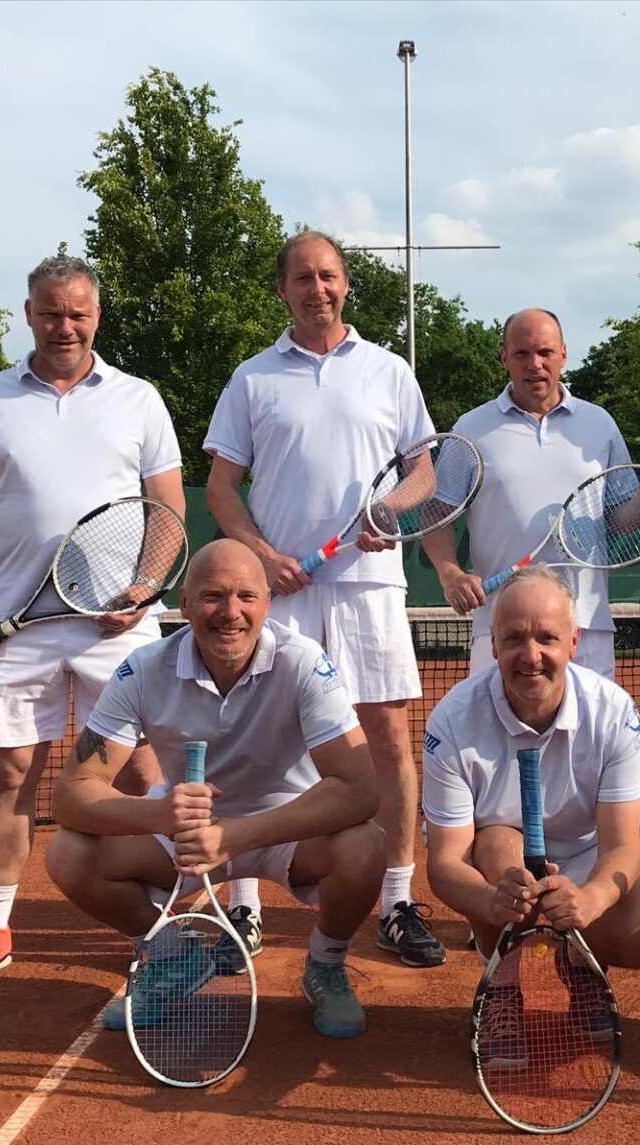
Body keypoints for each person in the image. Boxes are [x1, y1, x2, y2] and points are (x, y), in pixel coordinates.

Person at [0, 254, 183, 991]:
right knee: (10, 774)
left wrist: (145, 585)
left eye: (77, 313)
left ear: (96, 315)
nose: (63, 325)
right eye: (50, 312)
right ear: (29, 312)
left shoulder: (138, 398)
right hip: (13, 625)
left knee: (140, 771)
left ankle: (160, 922)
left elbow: (164, 509)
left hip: (120, 626)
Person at [204, 229, 444, 968]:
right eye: (304, 278)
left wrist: (388, 511)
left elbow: (425, 475)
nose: (319, 288)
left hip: (370, 588)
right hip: (279, 597)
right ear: (283, 290)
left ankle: (398, 900)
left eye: (330, 276)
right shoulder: (252, 379)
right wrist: (265, 558)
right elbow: (221, 488)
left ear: (345, 286)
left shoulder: (389, 371)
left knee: (389, 742)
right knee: (253, 743)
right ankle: (241, 908)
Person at [46, 539, 385, 1038]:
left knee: (365, 845)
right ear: (183, 604)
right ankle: (172, 957)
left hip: (285, 833)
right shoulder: (141, 670)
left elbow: (360, 790)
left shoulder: (304, 662)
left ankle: (325, 965)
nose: (231, 613)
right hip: (184, 834)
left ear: (268, 603)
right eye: (213, 596)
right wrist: (159, 817)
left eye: (247, 597)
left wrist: (235, 835)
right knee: (67, 854)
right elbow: (71, 794)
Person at [422, 566, 640, 1061]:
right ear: (492, 644)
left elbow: (622, 845)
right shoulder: (450, 720)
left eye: (547, 638)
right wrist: (491, 902)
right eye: (513, 638)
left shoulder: (614, 711)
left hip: (586, 860)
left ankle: (581, 963)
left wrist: (591, 901)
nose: (530, 656)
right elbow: (445, 864)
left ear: (574, 642)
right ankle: (503, 988)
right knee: (494, 844)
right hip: (501, 869)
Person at [423, 308, 640, 678]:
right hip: (500, 627)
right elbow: (438, 511)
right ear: (504, 357)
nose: (535, 364)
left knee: (590, 735)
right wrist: (450, 573)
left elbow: (619, 521)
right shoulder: (471, 428)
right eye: (522, 354)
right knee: (495, 735)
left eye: (545, 353)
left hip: (585, 624)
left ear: (563, 354)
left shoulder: (600, 424)